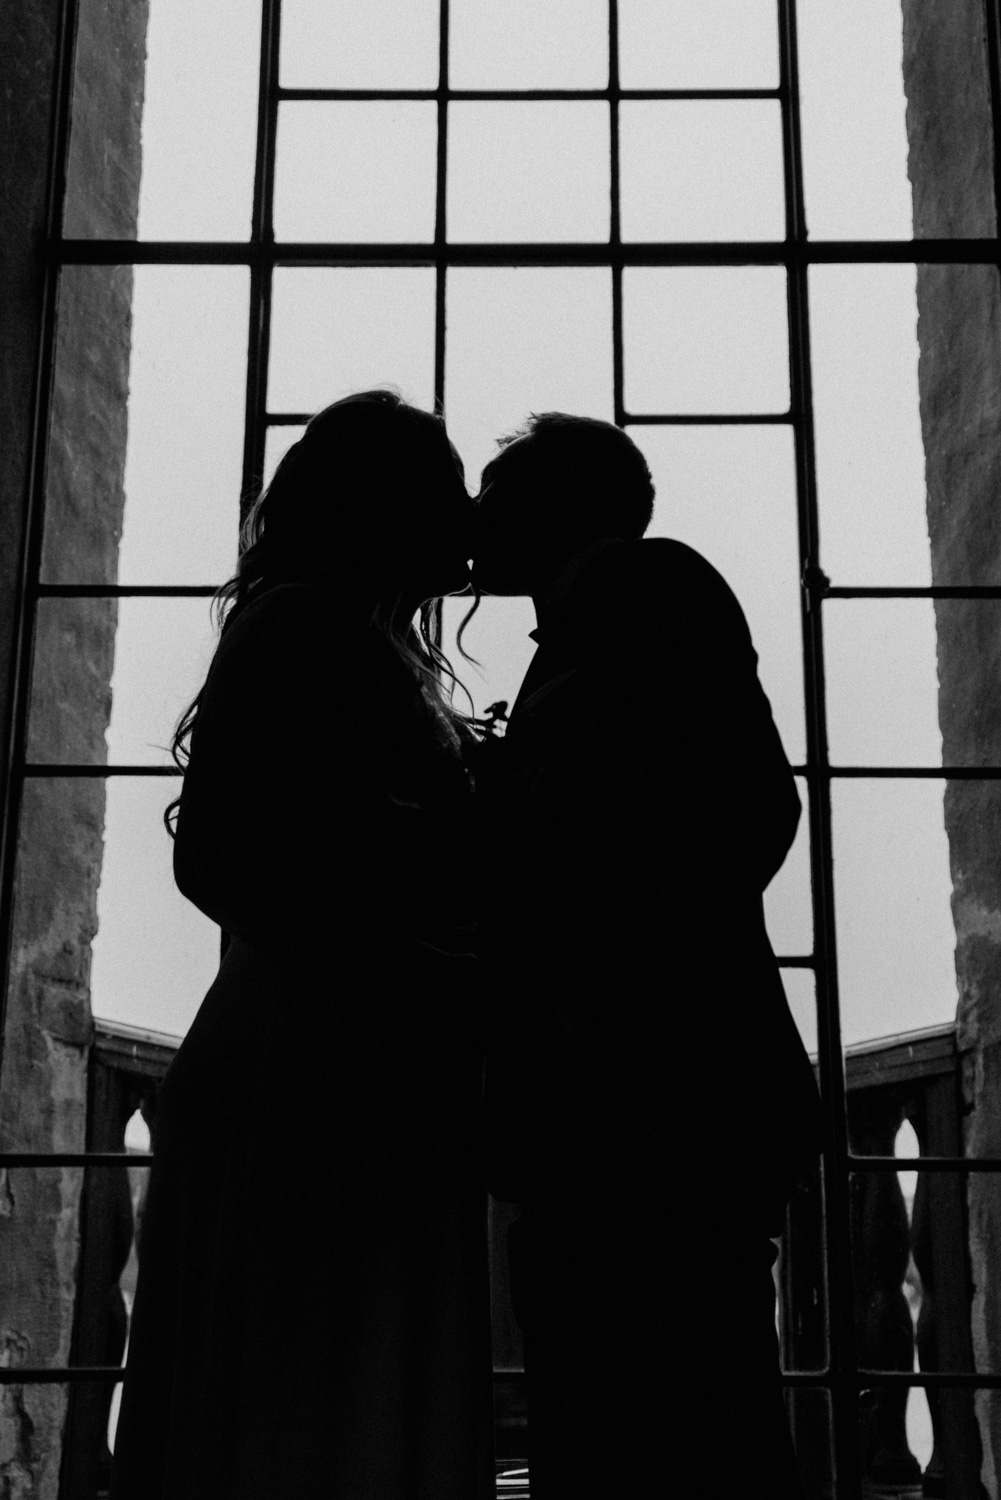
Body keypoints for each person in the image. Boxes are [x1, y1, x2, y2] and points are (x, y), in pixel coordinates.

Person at [111, 391, 495, 1500]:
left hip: (338, 1047)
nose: (465, 513)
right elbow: (216, 859)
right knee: (316, 1379)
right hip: (312, 1058)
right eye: (442, 489)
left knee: (315, 1383)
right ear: (384, 508)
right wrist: (411, 947)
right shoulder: (307, 630)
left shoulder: (334, 634)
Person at [472, 413, 822, 1499]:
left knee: (650, 1414)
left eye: (495, 495)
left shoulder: (639, 588)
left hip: (645, 1099)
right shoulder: (623, 606)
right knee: (685, 1413)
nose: (474, 518)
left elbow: (743, 810)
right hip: (658, 1099)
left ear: (553, 508)